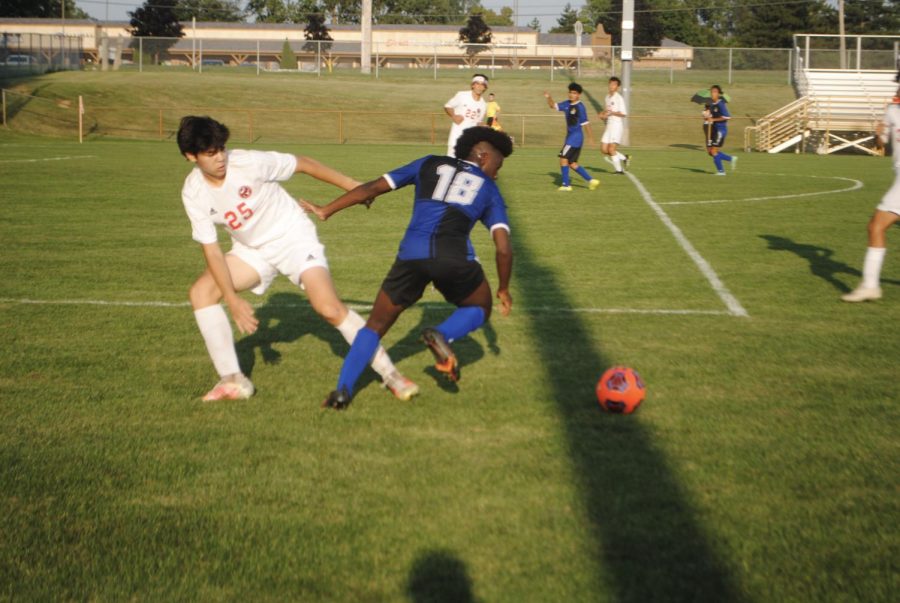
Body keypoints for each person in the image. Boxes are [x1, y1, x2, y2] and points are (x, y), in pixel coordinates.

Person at [176, 115, 419, 401]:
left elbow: (303, 163)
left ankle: (391, 375)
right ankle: (233, 381)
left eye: (221, 149)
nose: (220, 158)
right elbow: (213, 250)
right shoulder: (194, 192)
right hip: (251, 250)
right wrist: (232, 299)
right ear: (190, 156)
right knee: (202, 293)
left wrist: (353, 186)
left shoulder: (249, 162)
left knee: (328, 308)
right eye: (210, 153)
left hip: (292, 238)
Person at [299, 127, 514, 410]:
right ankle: (442, 334)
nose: (497, 173)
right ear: (483, 157)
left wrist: (326, 209)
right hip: (454, 258)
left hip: (411, 256)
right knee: (479, 306)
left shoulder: (428, 162)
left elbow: (372, 188)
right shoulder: (488, 189)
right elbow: (503, 248)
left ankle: (342, 391)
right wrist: (502, 288)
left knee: (374, 326)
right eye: (497, 165)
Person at [842, 89, 900, 302]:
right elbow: (881, 144)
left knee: (876, 226)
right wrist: (879, 134)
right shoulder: (892, 110)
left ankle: (870, 286)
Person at [543, 83, 600, 191]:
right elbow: (552, 105)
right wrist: (549, 97)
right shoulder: (567, 104)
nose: (571, 95)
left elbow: (586, 123)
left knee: (563, 159)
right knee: (572, 163)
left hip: (575, 138)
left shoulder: (580, 107)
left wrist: (591, 137)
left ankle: (566, 185)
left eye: (574, 93)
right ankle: (591, 181)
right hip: (571, 138)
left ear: (579, 95)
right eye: (570, 92)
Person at [444, 74, 488, 157]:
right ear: (472, 85)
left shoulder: (483, 105)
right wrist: (454, 116)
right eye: (477, 84)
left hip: (470, 143)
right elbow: (448, 106)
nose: (479, 87)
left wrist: (484, 126)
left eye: (482, 85)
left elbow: (478, 122)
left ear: (485, 88)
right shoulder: (462, 95)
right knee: (451, 166)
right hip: (456, 140)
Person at [598, 76, 630, 174]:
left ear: (617, 87)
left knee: (611, 149)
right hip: (609, 125)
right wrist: (602, 114)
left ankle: (619, 170)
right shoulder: (607, 97)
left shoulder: (619, 98)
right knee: (603, 150)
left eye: (614, 84)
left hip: (616, 125)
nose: (612, 86)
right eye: (610, 84)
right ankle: (624, 157)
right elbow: (607, 109)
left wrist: (613, 113)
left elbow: (623, 113)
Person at [703, 85, 737, 175]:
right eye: (712, 92)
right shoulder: (712, 105)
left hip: (720, 131)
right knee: (710, 152)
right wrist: (707, 117)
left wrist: (713, 120)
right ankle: (730, 159)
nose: (712, 93)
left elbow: (727, 117)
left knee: (714, 151)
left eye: (714, 92)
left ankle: (721, 171)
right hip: (714, 130)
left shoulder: (721, 104)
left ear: (718, 94)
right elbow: (711, 116)